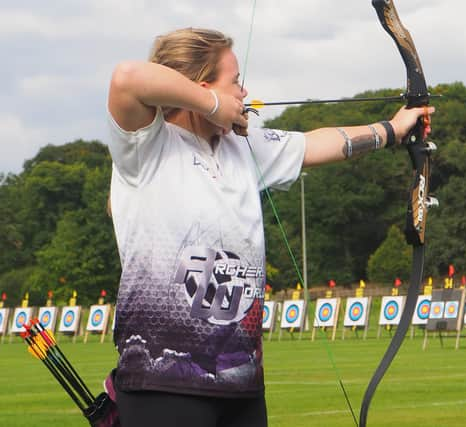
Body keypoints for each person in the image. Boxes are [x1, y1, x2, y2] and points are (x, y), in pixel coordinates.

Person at [106, 27, 432, 427]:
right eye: (235, 82)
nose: (243, 93)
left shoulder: (243, 147)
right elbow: (126, 78)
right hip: (164, 380)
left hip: (241, 383)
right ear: (202, 85)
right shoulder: (148, 146)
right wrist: (214, 103)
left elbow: (317, 144)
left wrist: (393, 130)